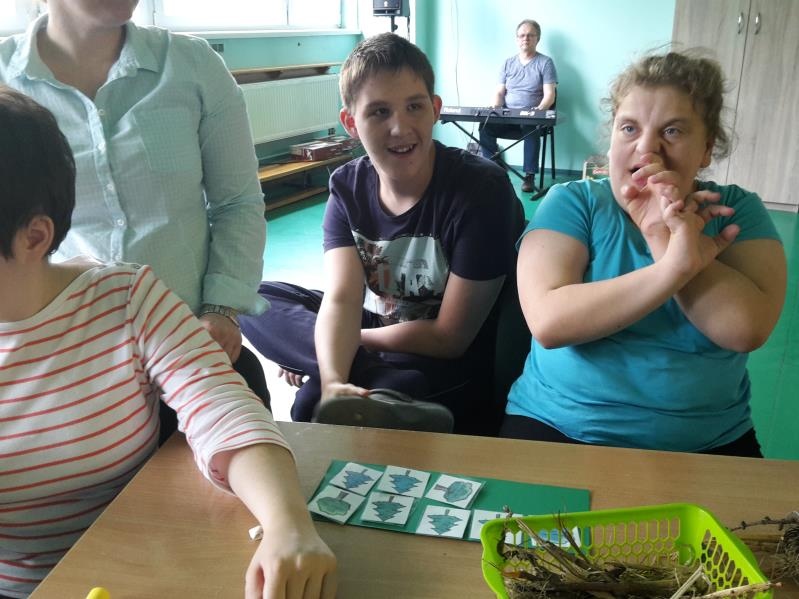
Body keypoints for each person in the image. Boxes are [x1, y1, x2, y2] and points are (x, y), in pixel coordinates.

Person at [0, 87, 336, 599]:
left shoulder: (124, 298)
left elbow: (222, 407)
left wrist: (287, 525)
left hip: (139, 571)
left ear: (33, 237)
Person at [503, 51, 787, 457]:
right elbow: (549, 322)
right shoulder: (573, 202)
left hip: (707, 441)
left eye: (672, 131)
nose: (647, 148)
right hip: (558, 424)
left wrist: (663, 237)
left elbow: (745, 329)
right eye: (629, 128)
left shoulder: (735, 211)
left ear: (706, 148)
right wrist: (673, 265)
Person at [239, 33, 524, 434]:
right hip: (379, 329)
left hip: (441, 360)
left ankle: (380, 381)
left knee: (308, 404)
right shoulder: (347, 187)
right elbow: (341, 298)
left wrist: (341, 343)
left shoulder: (481, 190)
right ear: (350, 123)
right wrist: (334, 379)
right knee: (251, 297)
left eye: (414, 106)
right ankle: (380, 384)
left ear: (435, 109)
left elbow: (451, 337)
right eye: (378, 112)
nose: (399, 127)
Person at [0, 0, 271, 416]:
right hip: (63, 360)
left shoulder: (191, 65)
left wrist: (221, 310)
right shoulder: (6, 80)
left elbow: (237, 202)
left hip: (190, 341)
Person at [479, 19, 557, 193]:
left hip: (530, 117)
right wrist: (496, 108)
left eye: (530, 35)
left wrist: (539, 111)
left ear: (537, 38)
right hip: (508, 116)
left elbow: (550, 95)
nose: (525, 38)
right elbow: (499, 92)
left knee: (530, 126)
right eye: (522, 35)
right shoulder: (508, 63)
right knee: (485, 126)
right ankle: (493, 168)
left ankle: (529, 175)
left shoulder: (545, 63)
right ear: (517, 39)